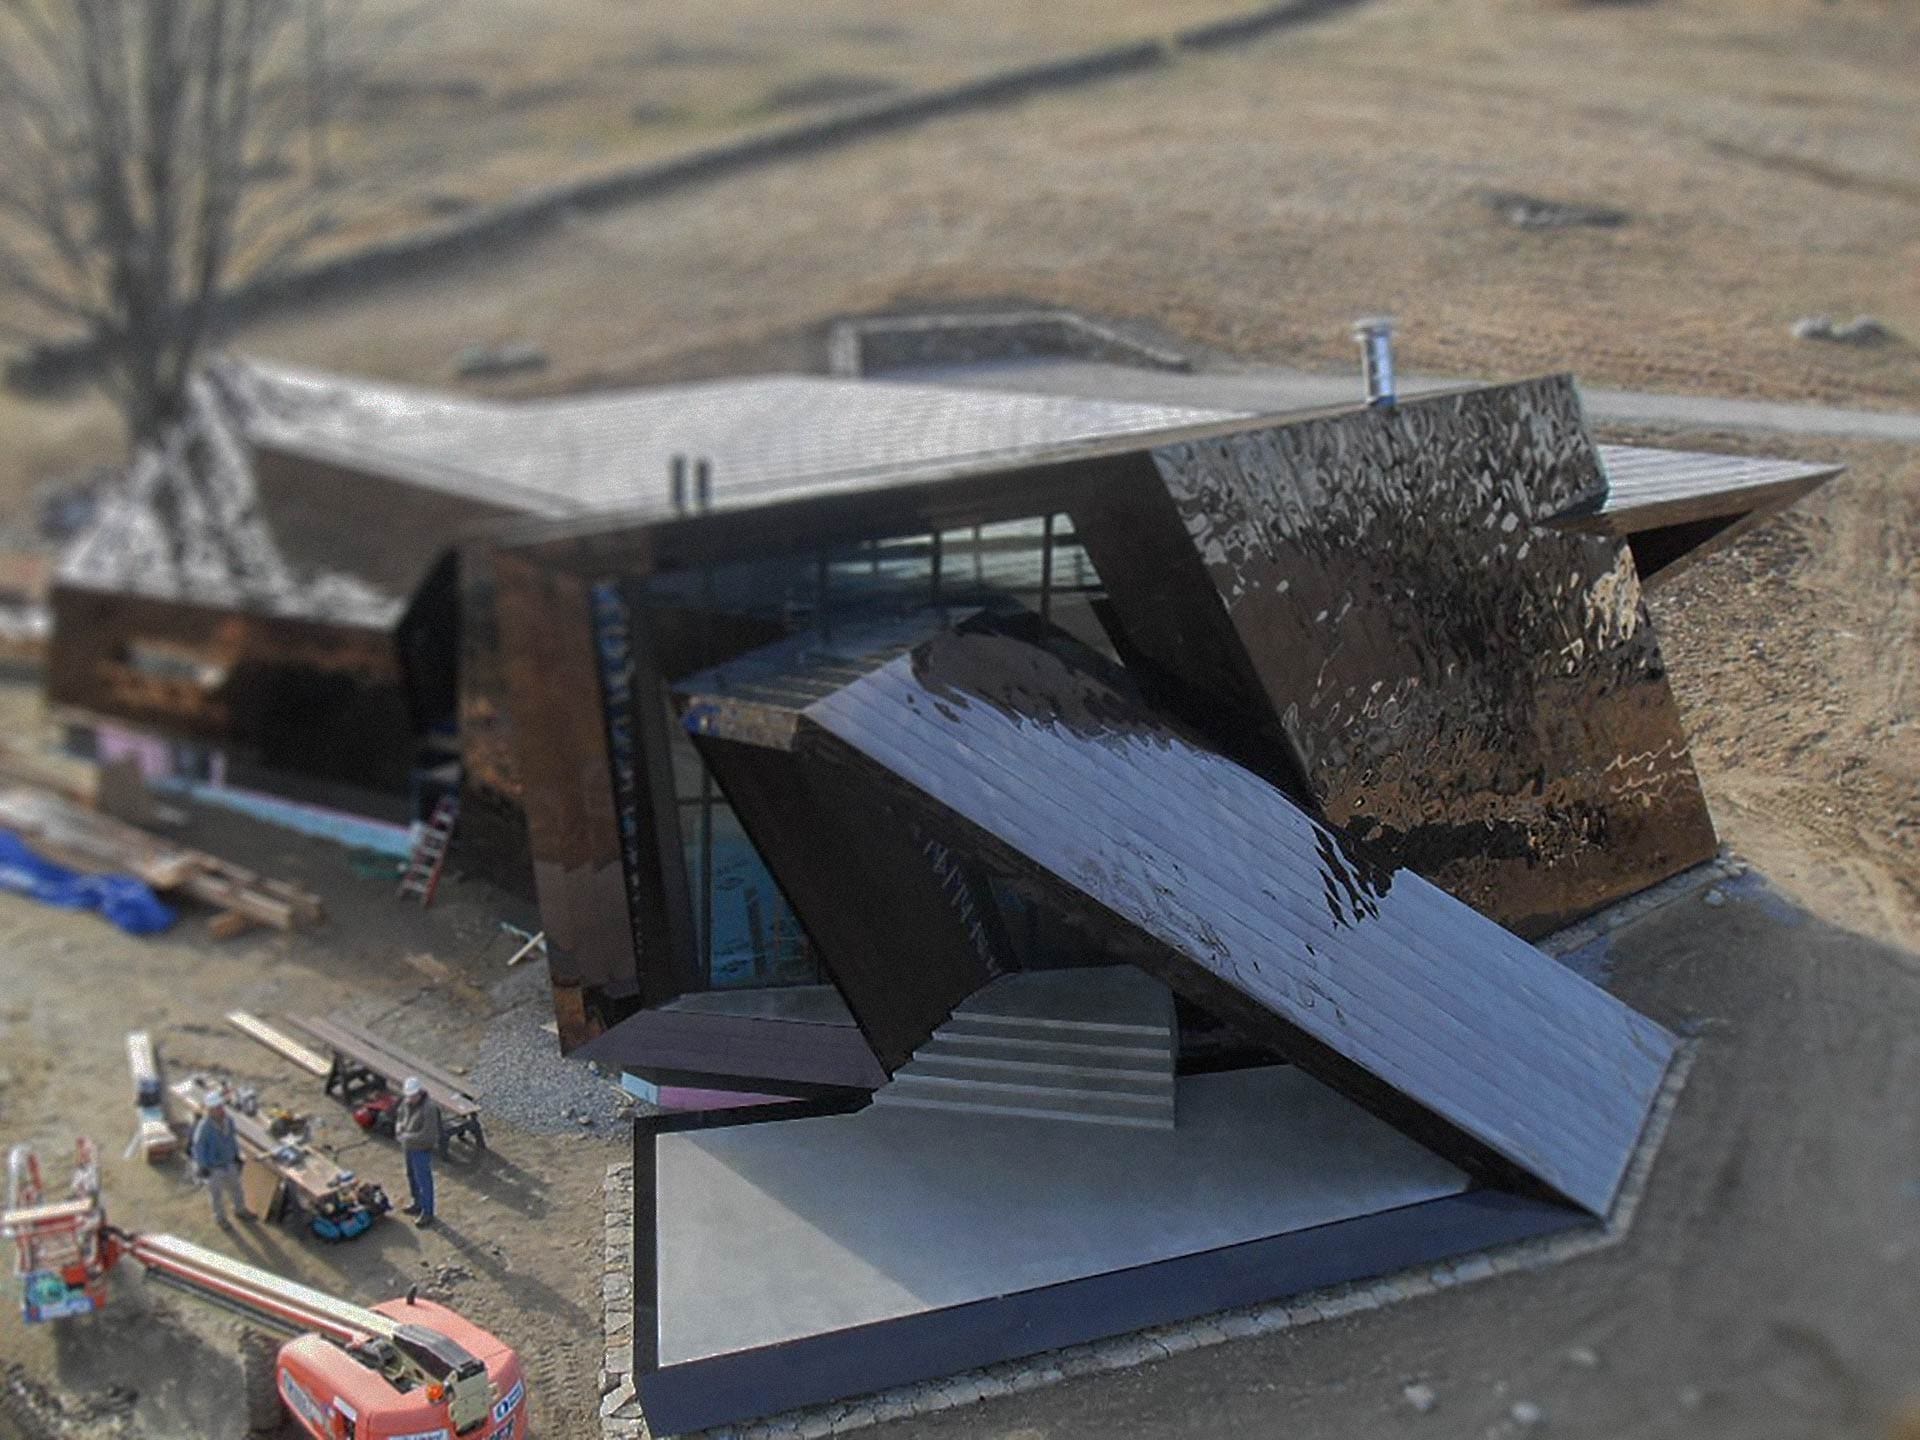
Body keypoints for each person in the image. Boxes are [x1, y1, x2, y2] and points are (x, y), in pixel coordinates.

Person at [189, 1089, 253, 1226]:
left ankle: (240, 1210)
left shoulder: (228, 1121)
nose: (221, 1109)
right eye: (217, 1107)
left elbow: (232, 1139)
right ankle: (220, 1218)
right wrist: (203, 1167)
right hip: (212, 1167)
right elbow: (198, 1148)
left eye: (221, 1106)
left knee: (237, 1188)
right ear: (210, 1110)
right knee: (216, 1194)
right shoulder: (204, 1127)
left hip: (229, 1161)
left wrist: (236, 1155)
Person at [394, 1077, 440, 1228]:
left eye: (413, 1096)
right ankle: (417, 1203)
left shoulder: (429, 1109)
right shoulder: (406, 1102)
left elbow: (428, 1136)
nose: (410, 1099)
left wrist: (407, 1137)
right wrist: (399, 1126)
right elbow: (400, 1115)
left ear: (420, 1093)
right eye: (409, 1096)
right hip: (409, 1147)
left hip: (421, 1149)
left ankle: (428, 1212)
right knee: (411, 1175)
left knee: (424, 1180)